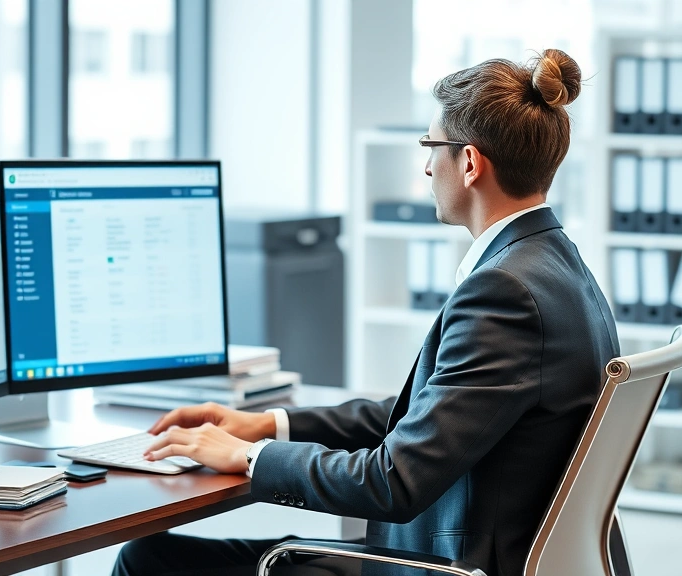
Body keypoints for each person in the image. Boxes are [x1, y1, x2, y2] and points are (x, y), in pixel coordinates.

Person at [113, 48, 620, 576]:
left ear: (469, 163)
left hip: (447, 564)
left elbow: (393, 481)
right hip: (485, 549)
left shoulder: (504, 291)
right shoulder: (556, 264)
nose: (426, 166)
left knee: (150, 559)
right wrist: (266, 424)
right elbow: (426, 414)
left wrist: (247, 457)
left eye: (432, 147)